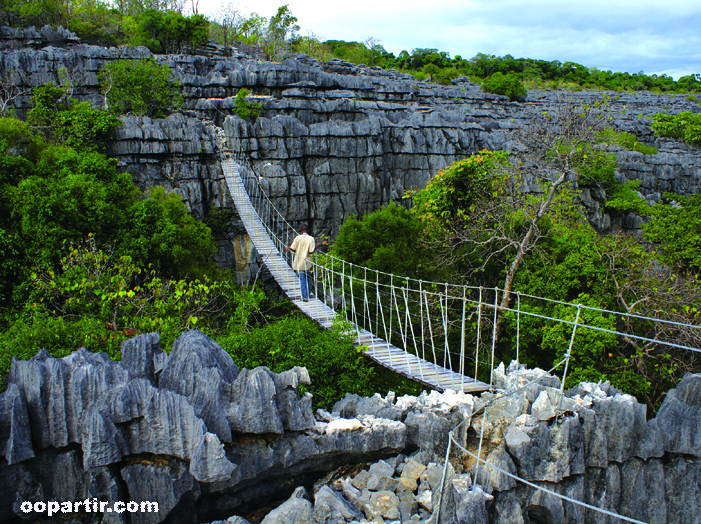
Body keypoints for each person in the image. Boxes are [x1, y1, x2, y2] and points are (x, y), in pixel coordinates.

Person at [284, 224, 323, 301]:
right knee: (307, 277)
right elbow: (310, 251)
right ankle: (307, 293)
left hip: (299, 262)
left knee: (302, 279)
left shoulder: (297, 238)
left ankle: (305, 296)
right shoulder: (311, 238)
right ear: (308, 230)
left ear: (301, 231)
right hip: (307, 262)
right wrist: (317, 245)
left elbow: (293, 248)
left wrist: (288, 247)